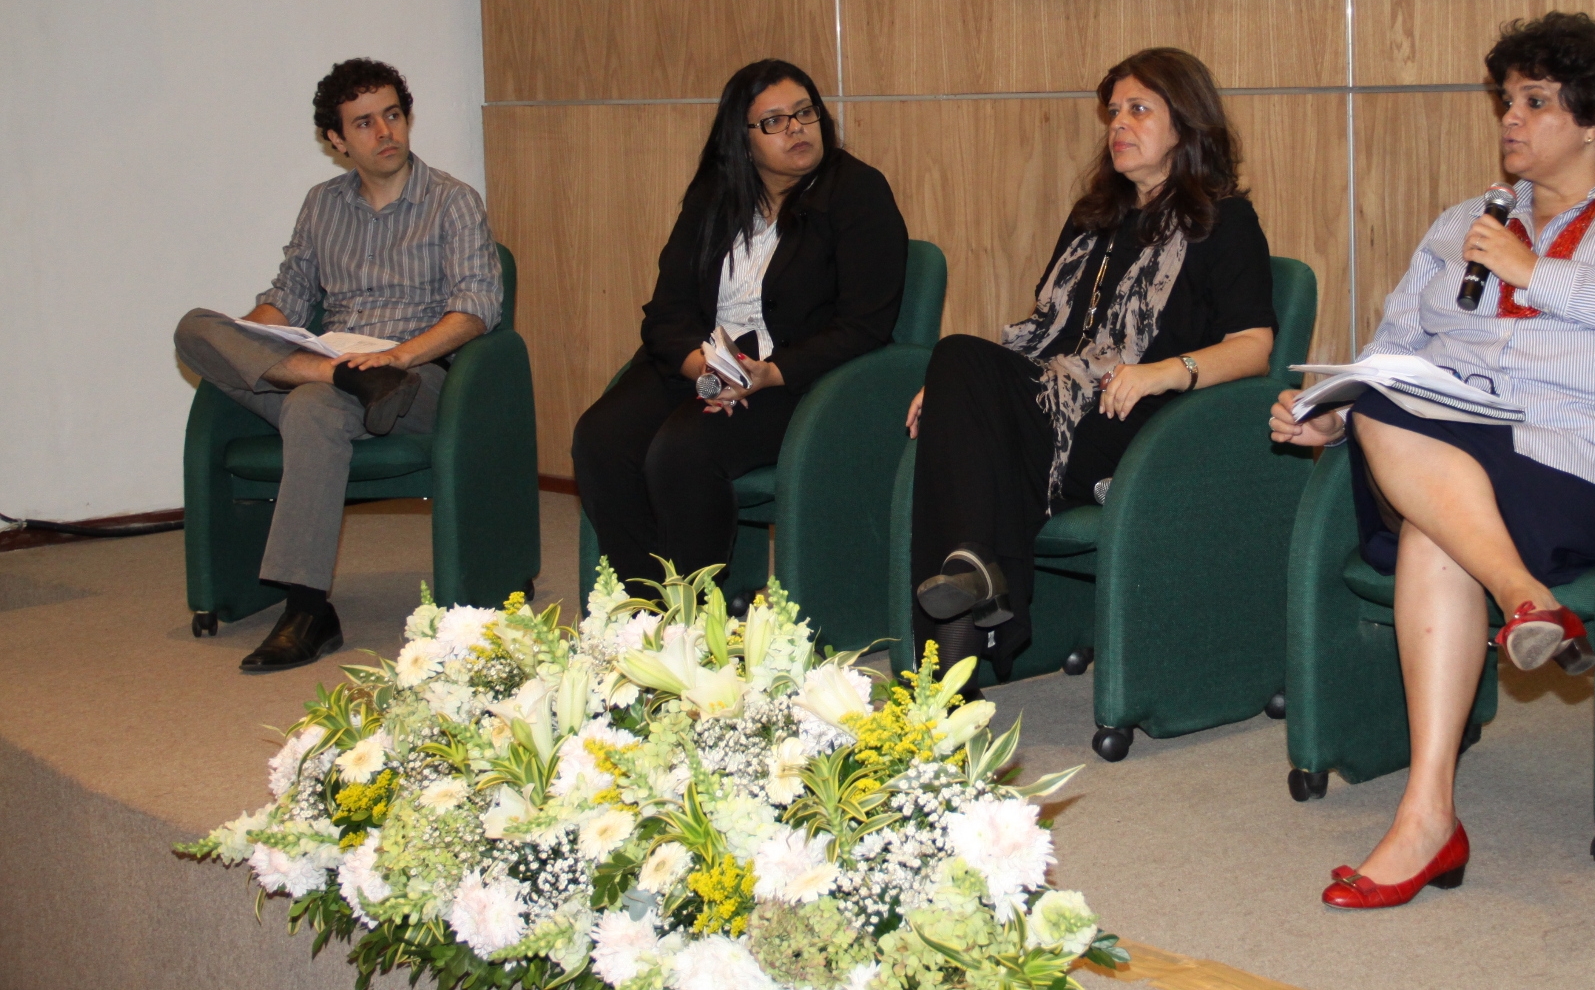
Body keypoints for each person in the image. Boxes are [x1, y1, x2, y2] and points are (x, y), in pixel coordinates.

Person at [1270, 11, 1595, 909]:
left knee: (1430, 526)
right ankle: (1440, 783)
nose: (1511, 118)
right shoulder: (1462, 222)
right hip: (1451, 449)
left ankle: (1434, 811)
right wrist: (1330, 417)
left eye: (1536, 101)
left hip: (1588, 464)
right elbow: (1391, 351)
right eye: (1506, 100)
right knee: (1387, 409)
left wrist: (1532, 271)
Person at [906, 47, 1277, 691]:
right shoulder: (1092, 218)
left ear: (1185, 123)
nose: (1119, 124)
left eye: (1139, 110)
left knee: (961, 376)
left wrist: (1163, 371)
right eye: (1114, 112)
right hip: (1060, 406)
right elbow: (1045, 332)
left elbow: (1254, 346)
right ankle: (969, 594)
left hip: (1142, 423)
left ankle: (959, 639)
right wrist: (953, 391)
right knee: (955, 365)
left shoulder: (1223, 220)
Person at [174, 58, 503, 672]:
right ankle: (336, 377)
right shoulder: (321, 205)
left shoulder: (453, 201)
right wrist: (246, 340)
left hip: (414, 380)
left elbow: (476, 310)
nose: (385, 132)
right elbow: (287, 298)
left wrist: (393, 357)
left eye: (393, 115)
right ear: (337, 139)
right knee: (196, 328)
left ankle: (307, 609)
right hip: (330, 370)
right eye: (364, 123)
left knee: (313, 405)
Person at [571, 59, 908, 592]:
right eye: (774, 121)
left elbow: (865, 326)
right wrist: (703, 370)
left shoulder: (857, 192)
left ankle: (693, 610)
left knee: (684, 449)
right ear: (742, 139)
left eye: (805, 112)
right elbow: (667, 310)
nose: (796, 128)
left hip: (796, 376)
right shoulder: (714, 195)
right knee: (601, 439)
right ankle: (645, 606)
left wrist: (768, 374)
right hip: (704, 362)